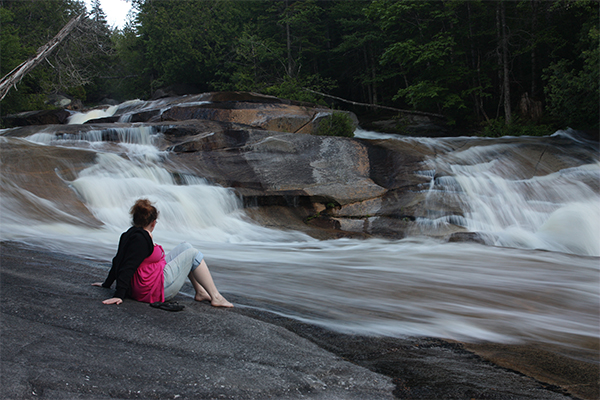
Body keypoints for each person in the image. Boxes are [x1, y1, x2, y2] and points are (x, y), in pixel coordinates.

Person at [92, 199, 233, 308]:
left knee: (186, 246)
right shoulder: (141, 239)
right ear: (153, 223)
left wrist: (107, 284)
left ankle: (201, 292)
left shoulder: (128, 234)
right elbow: (127, 265)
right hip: (152, 289)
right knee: (193, 254)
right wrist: (119, 295)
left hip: (150, 280)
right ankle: (216, 297)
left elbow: (118, 260)